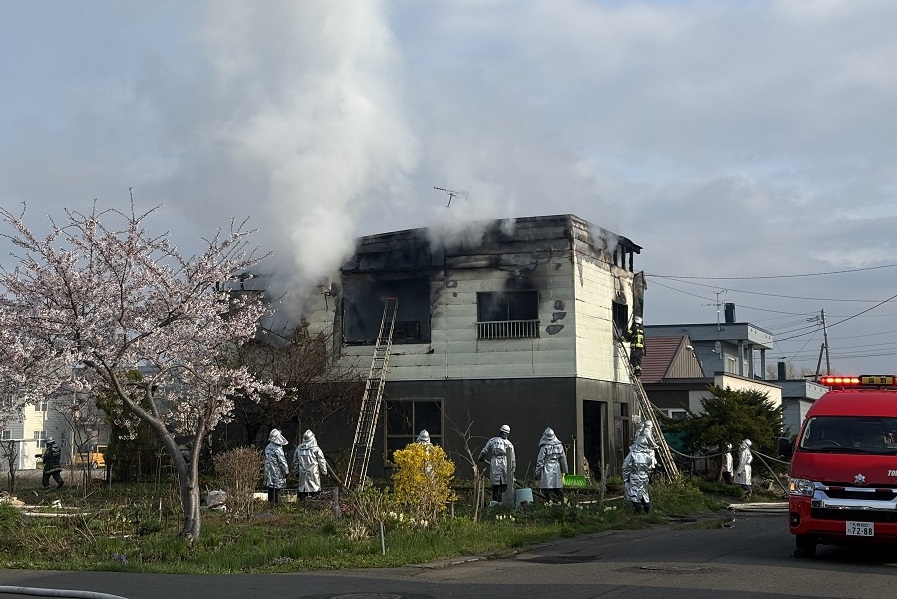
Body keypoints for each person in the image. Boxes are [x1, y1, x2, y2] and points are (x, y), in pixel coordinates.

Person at [478, 424, 516, 504]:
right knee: (504, 482)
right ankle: (503, 502)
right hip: (505, 463)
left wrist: (481, 457)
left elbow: (485, 451)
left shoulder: (493, 441)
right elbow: (513, 459)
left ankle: (496, 501)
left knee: (497, 483)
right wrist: (513, 468)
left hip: (496, 463)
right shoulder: (509, 444)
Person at [622, 431, 656, 513]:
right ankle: (647, 508)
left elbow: (625, 466)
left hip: (634, 476)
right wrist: (648, 476)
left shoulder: (633, 454)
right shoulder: (648, 455)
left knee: (634, 492)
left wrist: (626, 478)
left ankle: (637, 510)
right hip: (644, 477)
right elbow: (650, 467)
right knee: (644, 492)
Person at [534, 427, 568, 503]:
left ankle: (549, 501)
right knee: (557, 486)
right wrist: (565, 470)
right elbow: (563, 459)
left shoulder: (544, 447)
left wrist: (537, 473)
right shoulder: (559, 445)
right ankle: (562, 501)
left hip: (547, 466)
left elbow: (540, 461)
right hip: (556, 466)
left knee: (547, 487)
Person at [293, 429, 328, 500]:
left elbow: (295, 461)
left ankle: (303, 504)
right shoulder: (316, 449)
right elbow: (322, 461)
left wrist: (296, 471)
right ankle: (313, 505)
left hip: (302, 472)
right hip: (313, 472)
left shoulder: (299, 449)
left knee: (303, 488)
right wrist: (324, 471)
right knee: (314, 488)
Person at [264, 428, 289, 504]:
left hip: (268, 471)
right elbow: (282, 462)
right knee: (277, 488)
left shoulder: (267, 447)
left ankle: (270, 503)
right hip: (277, 471)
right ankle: (276, 504)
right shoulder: (278, 449)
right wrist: (286, 471)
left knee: (270, 487)